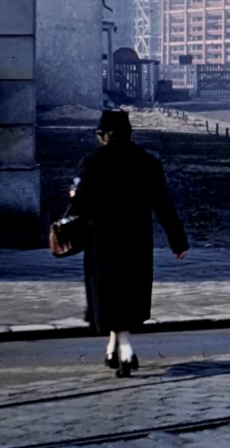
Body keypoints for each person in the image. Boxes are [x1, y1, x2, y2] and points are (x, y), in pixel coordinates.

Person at [69, 110, 188, 377]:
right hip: (136, 240)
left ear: (105, 135)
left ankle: (126, 350)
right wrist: (178, 241)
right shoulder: (147, 162)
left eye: (100, 134)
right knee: (127, 295)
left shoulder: (91, 163)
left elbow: (80, 205)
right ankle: (113, 349)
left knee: (108, 295)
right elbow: (164, 205)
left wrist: (74, 194)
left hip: (103, 241)